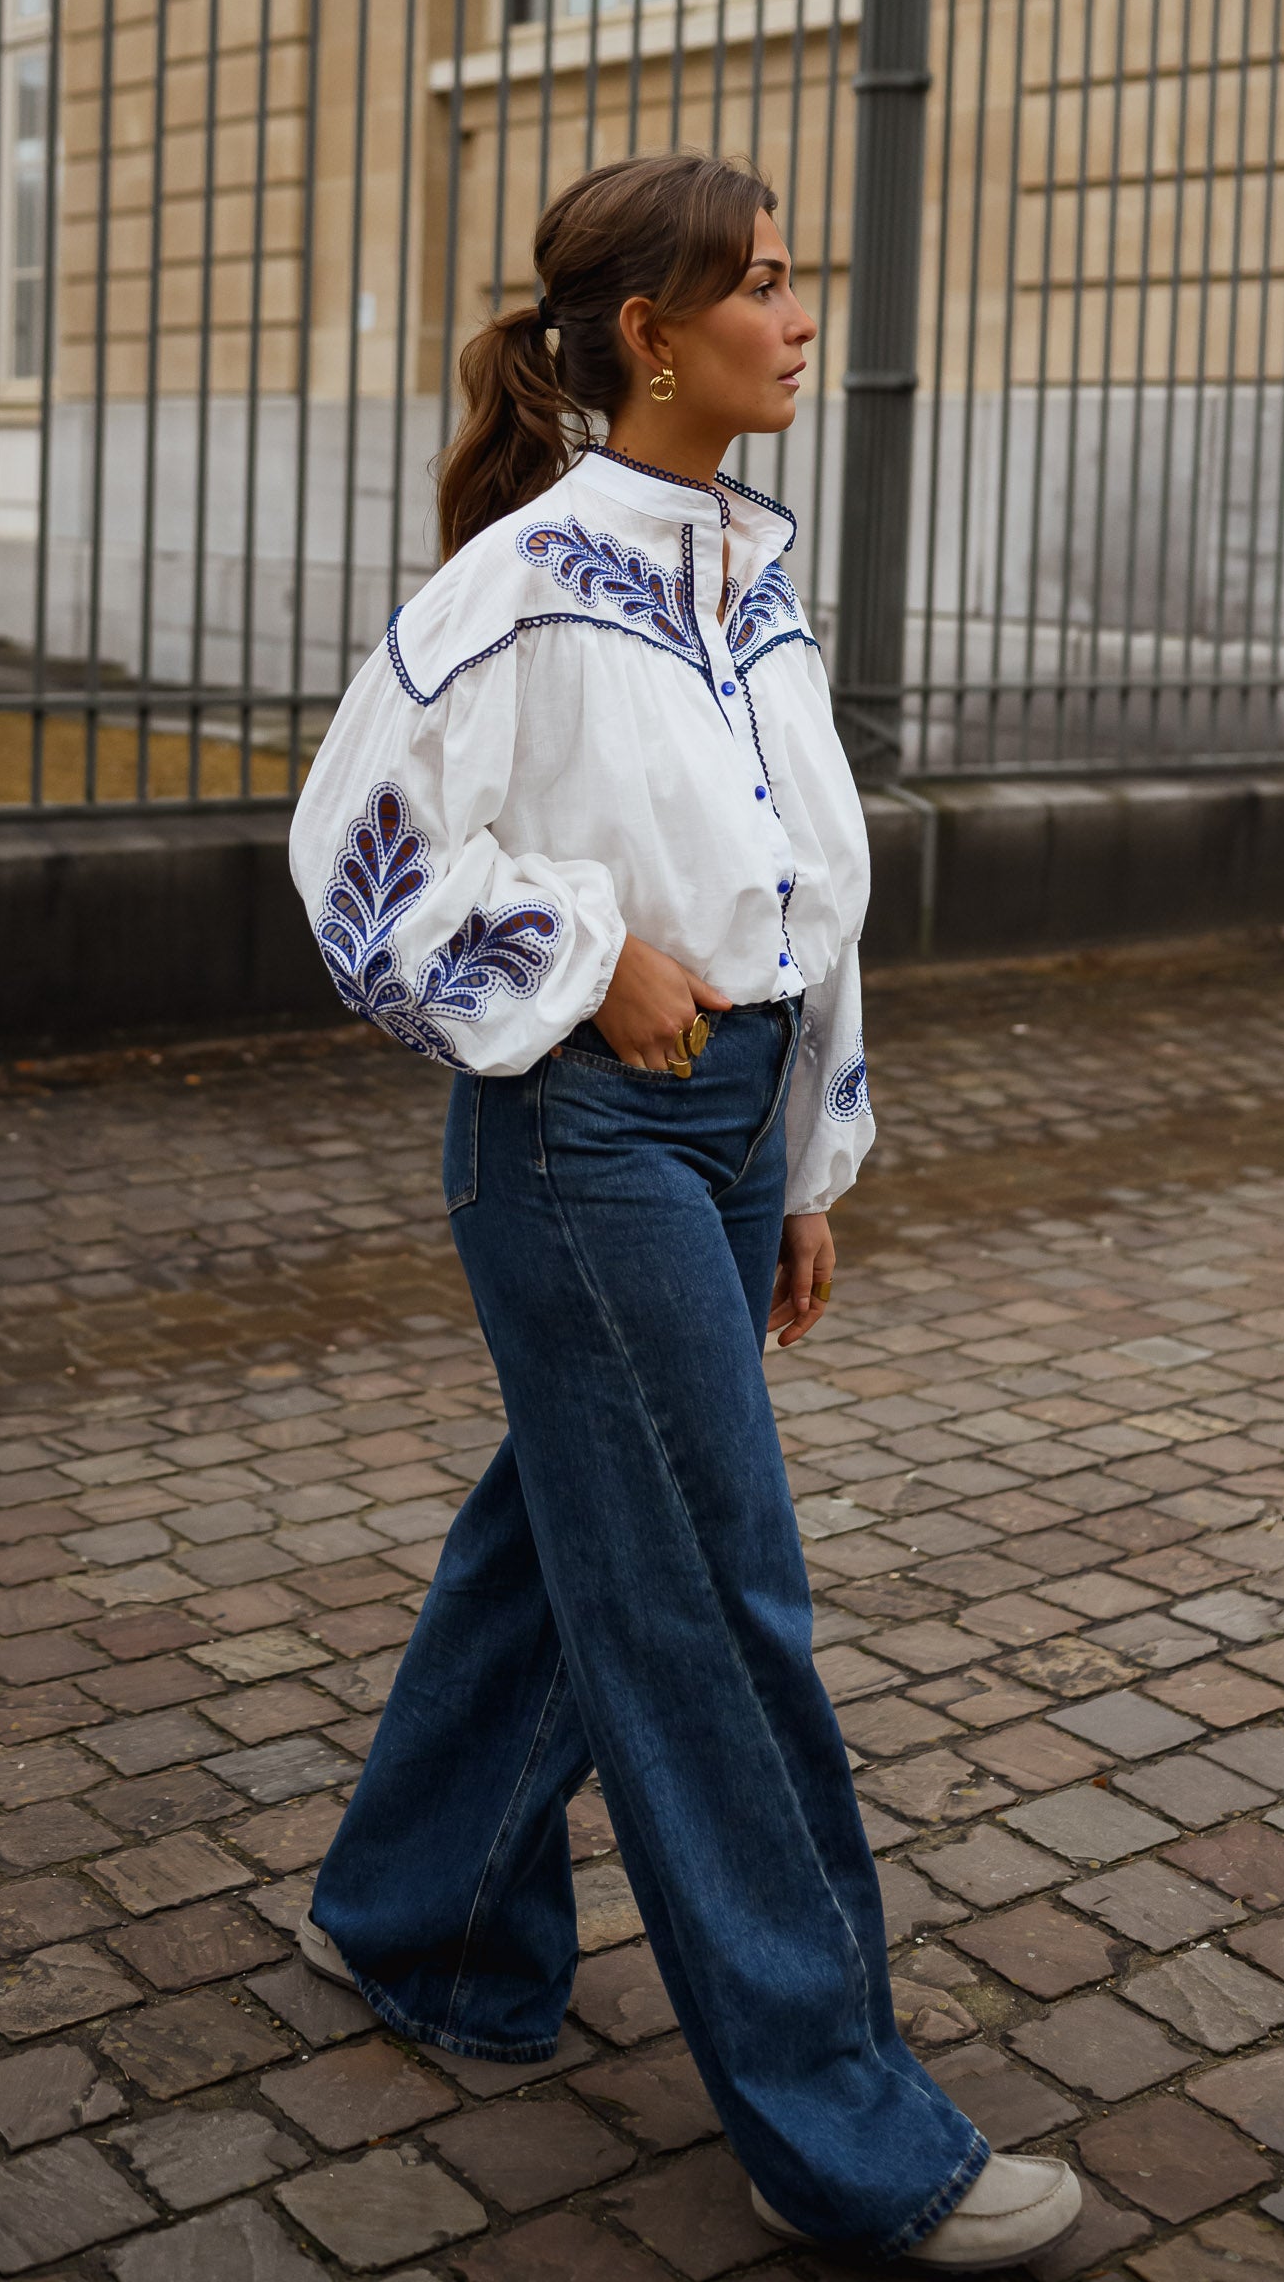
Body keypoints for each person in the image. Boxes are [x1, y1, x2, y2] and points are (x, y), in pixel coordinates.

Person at [286, 151, 1081, 2267]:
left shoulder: (754, 572)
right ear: (651, 333)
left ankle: (418, 1919)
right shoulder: (520, 585)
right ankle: (843, 2127)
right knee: (715, 1600)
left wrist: (805, 1156)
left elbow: (808, 892)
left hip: (723, 1139)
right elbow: (351, 872)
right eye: (762, 282)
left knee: (564, 1537)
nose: (799, 315)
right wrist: (569, 945)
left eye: (795, 278)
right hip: (583, 1135)